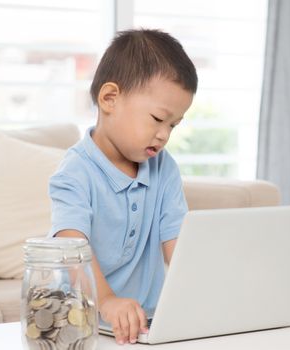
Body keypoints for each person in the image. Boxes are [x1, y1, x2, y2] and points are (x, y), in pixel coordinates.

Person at [48, 29, 198, 345]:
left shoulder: (164, 167)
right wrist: (107, 302)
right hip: (81, 322)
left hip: (148, 325)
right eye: (158, 118)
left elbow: (181, 247)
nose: (164, 134)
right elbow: (73, 251)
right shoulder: (75, 172)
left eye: (173, 125)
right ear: (110, 99)